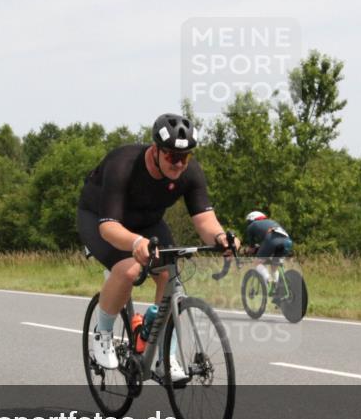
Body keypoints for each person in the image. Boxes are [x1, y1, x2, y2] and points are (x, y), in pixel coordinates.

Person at [77, 113, 239, 381]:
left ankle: (165, 356)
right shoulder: (123, 164)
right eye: (172, 157)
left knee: (169, 274)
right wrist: (136, 242)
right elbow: (109, 227)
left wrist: (221, 238)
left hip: (147, 221)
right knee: (128, 270)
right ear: (155, 151)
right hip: (100, 219)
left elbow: (204, 220)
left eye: (185, 157)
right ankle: (103, 334)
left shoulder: (190, 172)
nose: (179, 163)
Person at [244, 211, 293, 283]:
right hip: (287, 241)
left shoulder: (252, 225)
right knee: (274, 266)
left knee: (257, 263)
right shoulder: (271, 222)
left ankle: (268, 279)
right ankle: (277, 286)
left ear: (252, 219)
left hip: (272, 239)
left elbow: (252, 248)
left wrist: (246, 251)